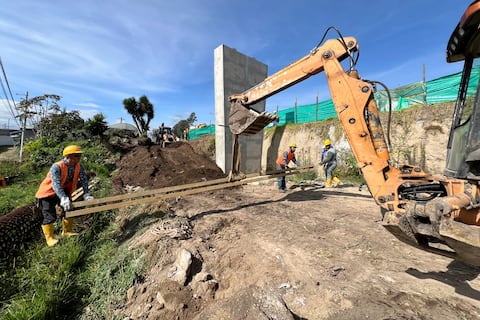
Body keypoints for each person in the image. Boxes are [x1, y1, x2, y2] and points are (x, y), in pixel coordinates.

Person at [35, 145, 94, 247]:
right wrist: (63, 197)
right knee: (49, 215)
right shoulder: (57, 167)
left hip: (64, 191)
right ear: (68, 156)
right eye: (76, 156)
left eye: (79, 156)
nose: (79, 158)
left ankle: (67, 232)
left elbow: (84, 179)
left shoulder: (78, 166)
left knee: (69, 209)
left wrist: (86, 193)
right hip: (47, 193)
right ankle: (50, 239)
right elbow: (56, 184)